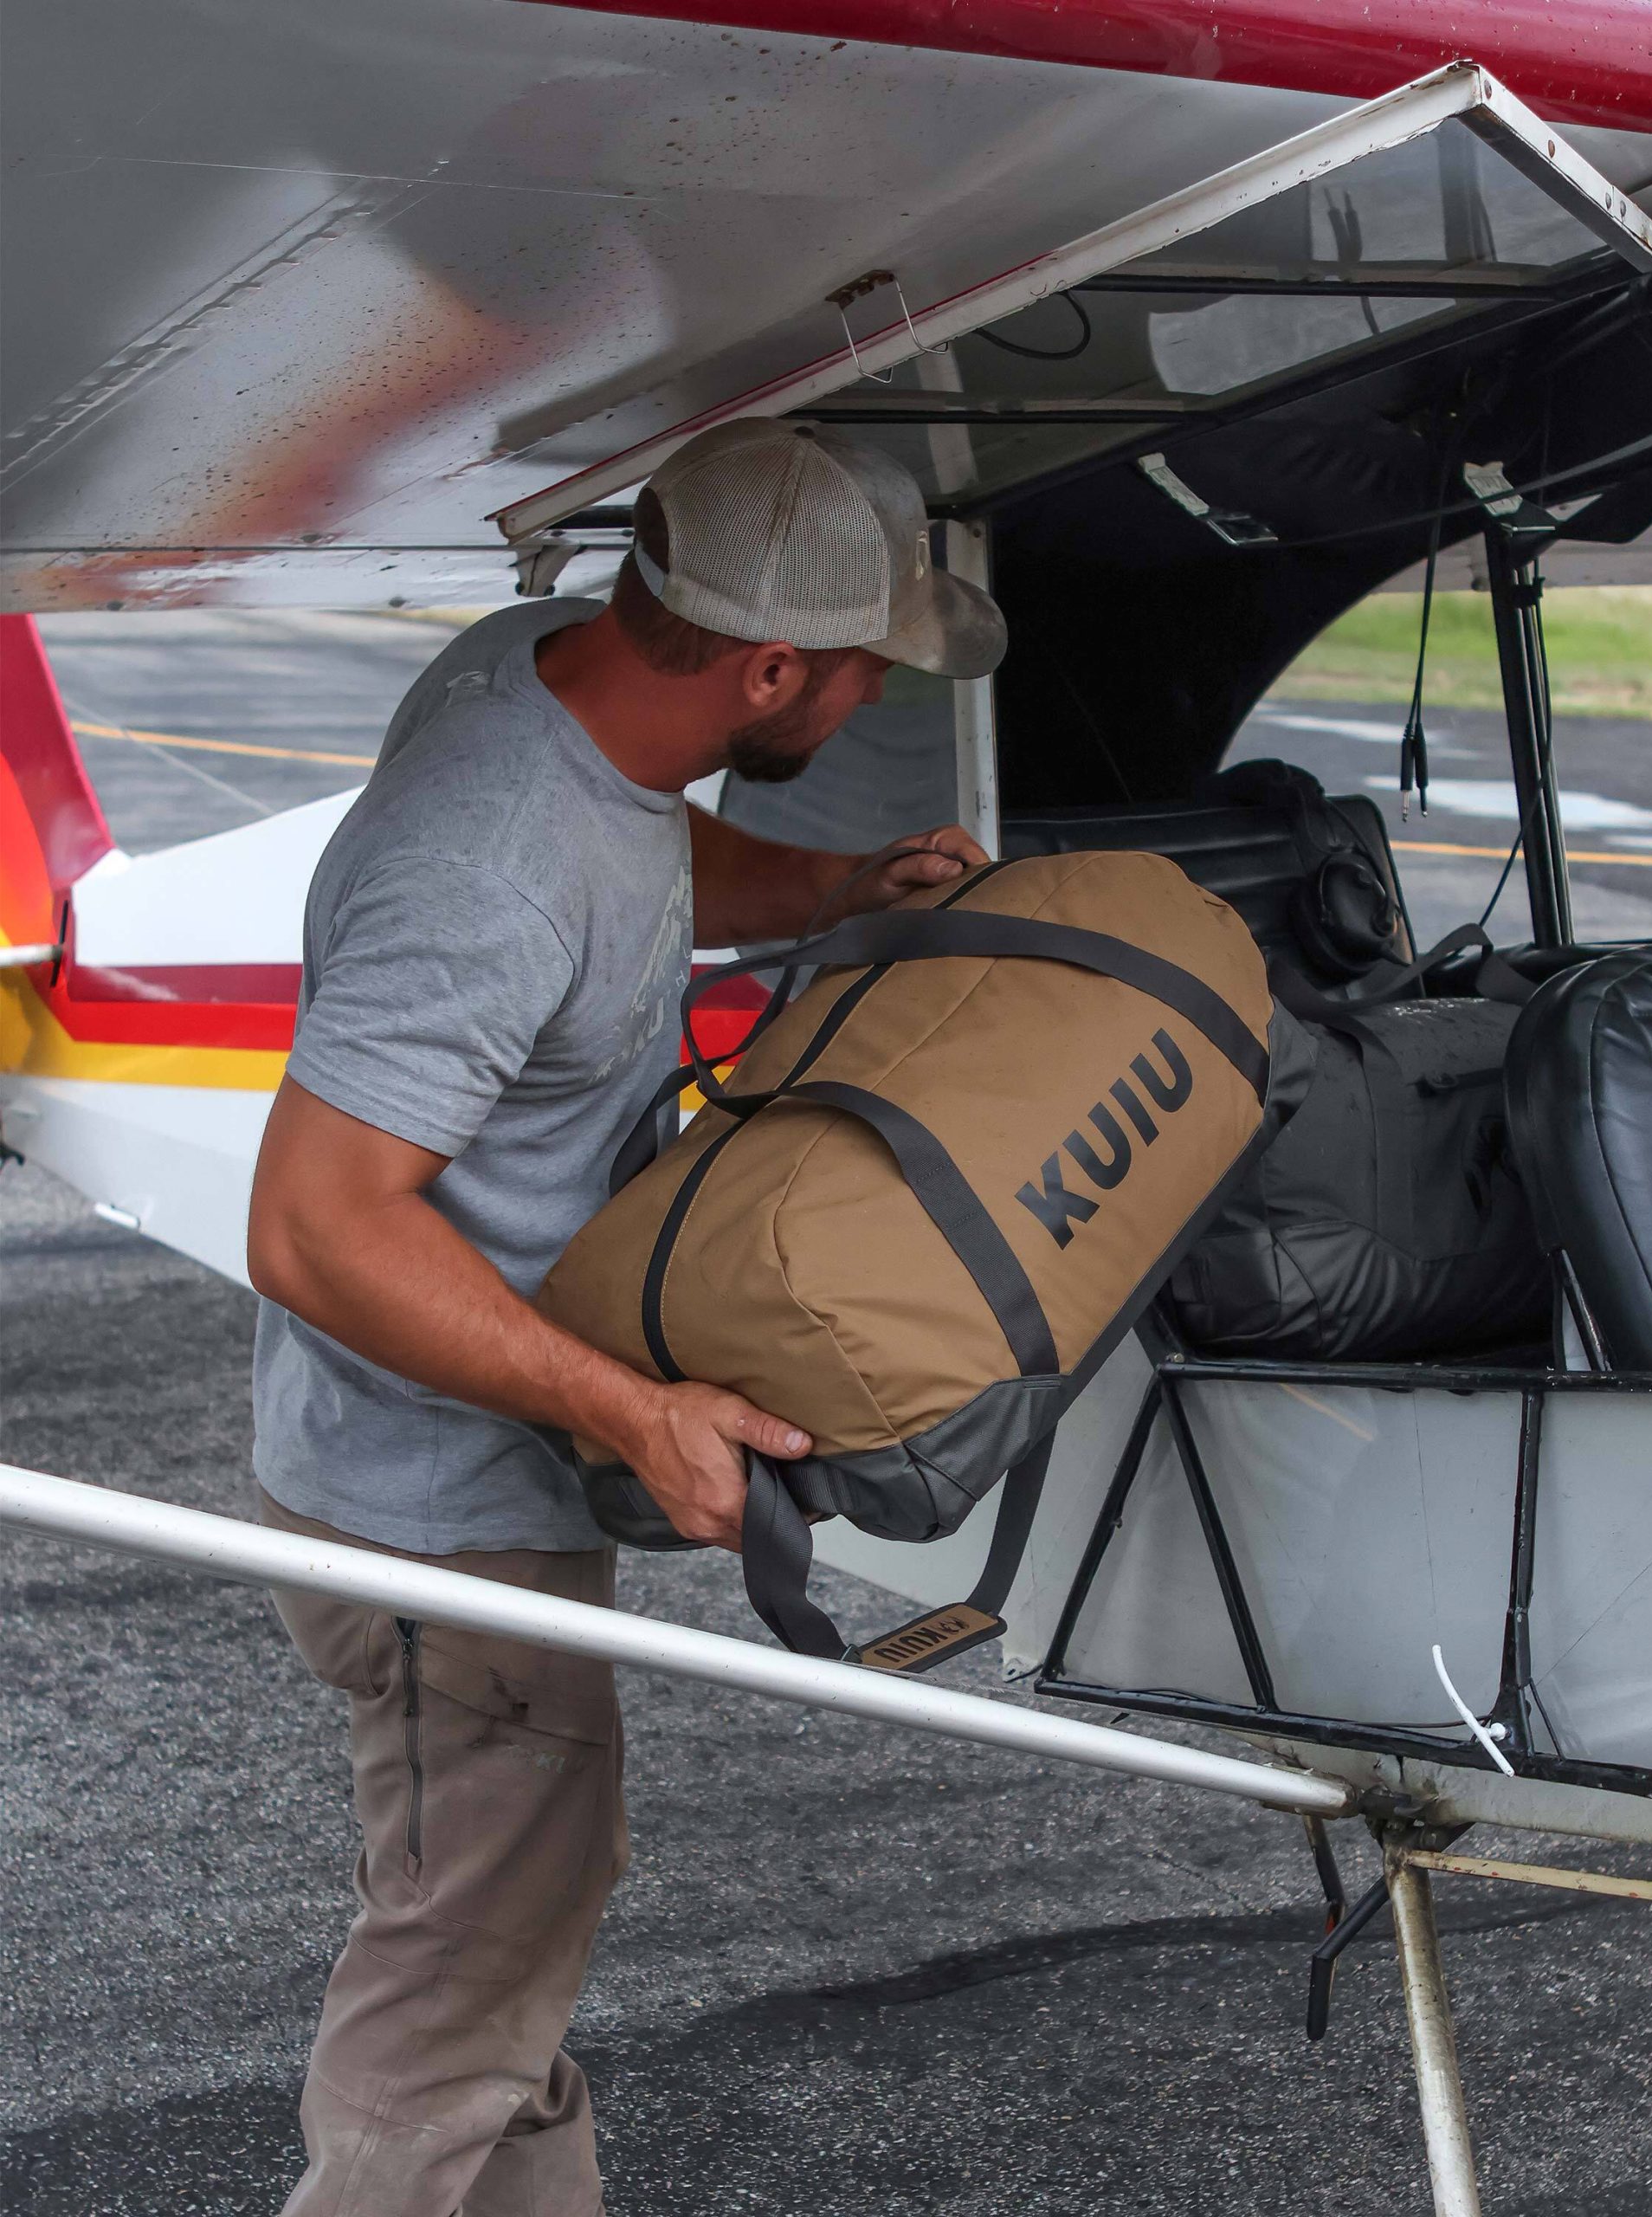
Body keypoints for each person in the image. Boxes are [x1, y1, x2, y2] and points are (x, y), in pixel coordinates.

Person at [245, 417, 1008, 2217]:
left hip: (451, 1488)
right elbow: (314, 1222)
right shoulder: (489, 859)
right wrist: (632, 1403)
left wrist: (831, 890)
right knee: (450, 2006)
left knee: (511, 1936)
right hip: (434, 1520)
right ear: (766, 665)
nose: (866, 697)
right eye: (858, 670)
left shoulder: (541, 674)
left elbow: (642, 852)